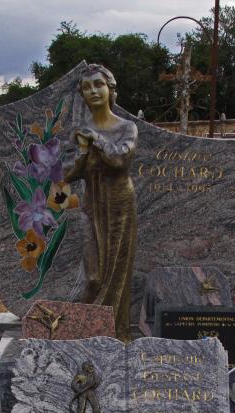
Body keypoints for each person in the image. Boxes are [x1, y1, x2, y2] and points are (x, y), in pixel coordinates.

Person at [64, 64, 138, 343]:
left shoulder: (125, 127)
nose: (93, 91)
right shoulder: (80, 131)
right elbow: (68, 174)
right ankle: (83, 327)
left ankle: (116, 333)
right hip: (91, 205)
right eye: (87, 87)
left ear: (110, 89)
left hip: (119, 205)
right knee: (93, 276)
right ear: (82, 95)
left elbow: (120, 159)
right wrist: (82, 151)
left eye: (99, 84)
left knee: (117, 273)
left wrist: (94, 139)